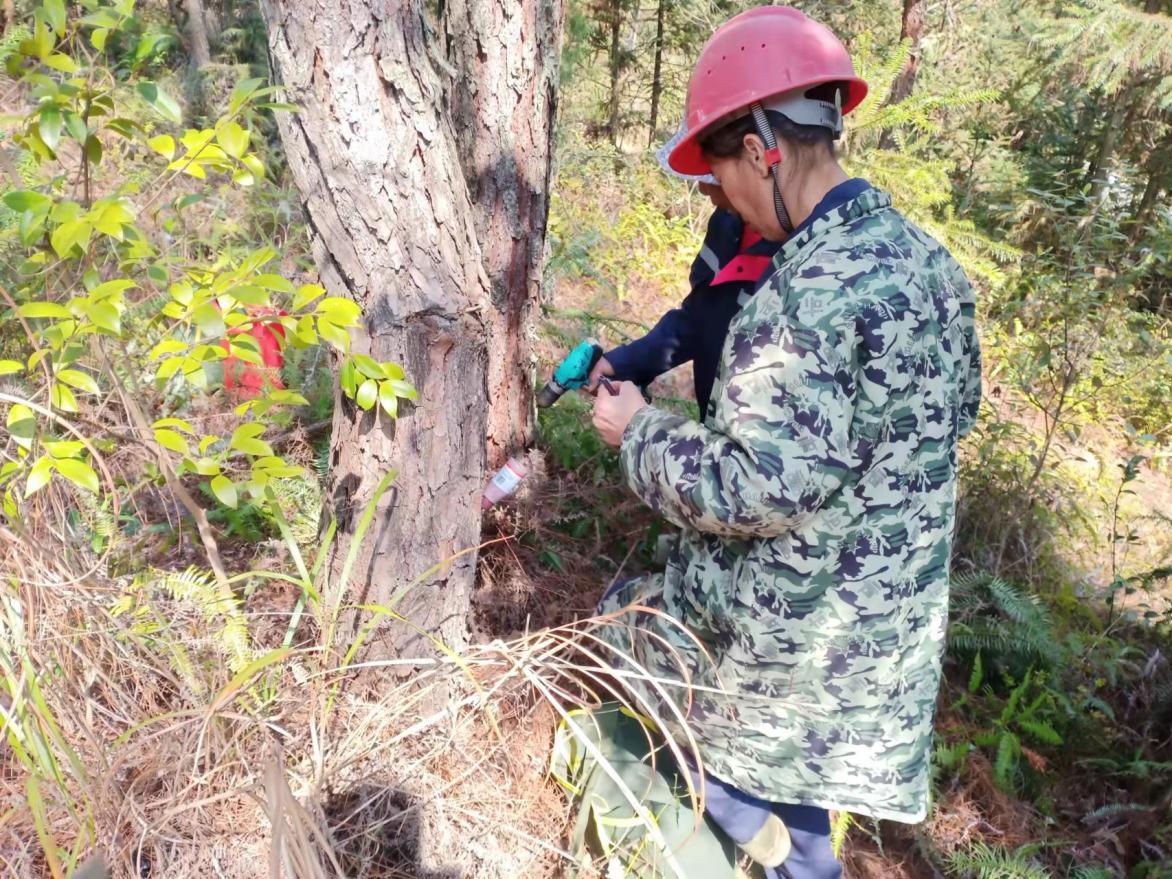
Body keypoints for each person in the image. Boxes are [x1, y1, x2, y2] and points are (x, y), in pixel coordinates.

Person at [585, 6, 982, 877]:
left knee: (616, 631)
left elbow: (748, 487)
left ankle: (738, 829)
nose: (719, 198)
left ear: (763, 150)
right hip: (877, 642)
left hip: (788, 638)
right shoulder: (930, 266)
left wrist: (634, 429)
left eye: (719, 174)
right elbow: (952, 414)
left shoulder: (802, 295)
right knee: (807, 827)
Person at [586, 125, 781, 420]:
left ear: (755, 159)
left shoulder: (806, 260)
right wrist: (625, 362)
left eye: (713, 174)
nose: (703, 188)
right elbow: (700, 318)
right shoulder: (727, 225)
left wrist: (638, 428)